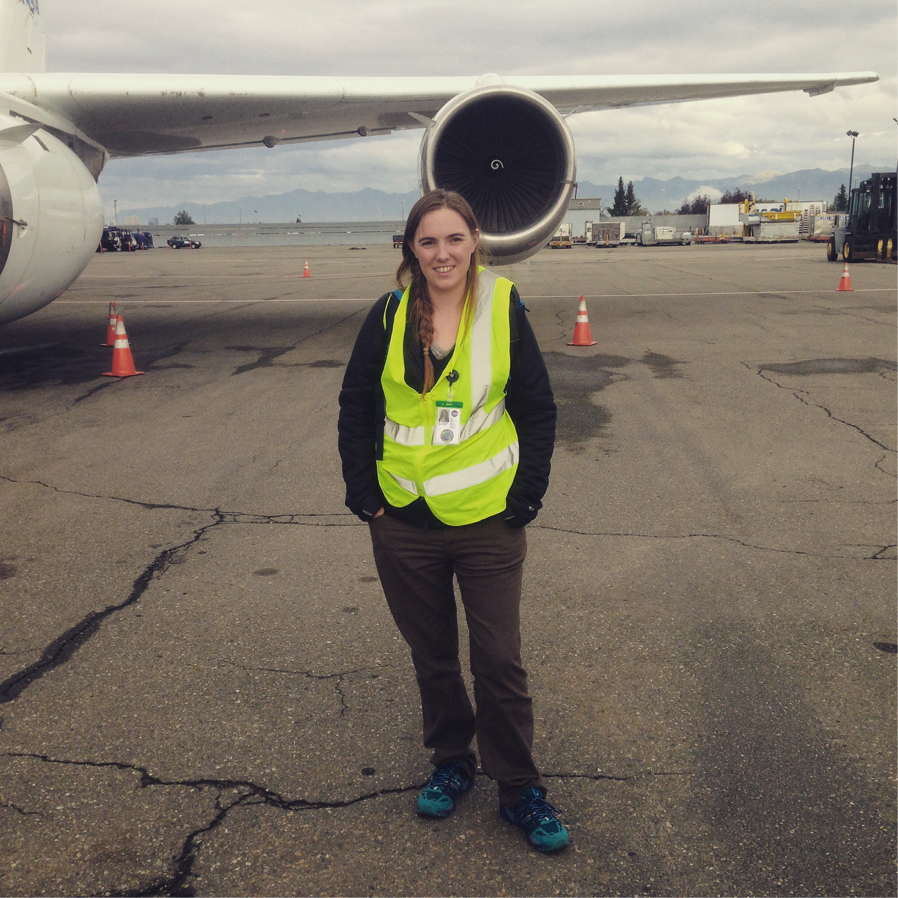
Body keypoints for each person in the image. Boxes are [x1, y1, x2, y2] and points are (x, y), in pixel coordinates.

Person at [337, 189, 568, 852]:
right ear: (412, 248)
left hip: (488, 518)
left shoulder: (502, 305)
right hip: (403, 520)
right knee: (433, 656)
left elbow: (538, 408)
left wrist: (526, 496)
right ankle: (451, 761)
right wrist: (365, 497)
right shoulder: (388, 316)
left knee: (498, 660)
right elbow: (356, 407)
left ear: (474, 242)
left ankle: (519, 788)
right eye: (428, 241)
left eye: (453, 239)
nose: (442, 254)